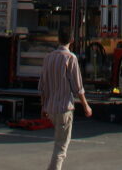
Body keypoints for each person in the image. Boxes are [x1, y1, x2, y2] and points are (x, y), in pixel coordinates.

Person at [38, 26, 92, 170]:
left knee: (58, 144)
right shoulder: (70, 58)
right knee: (61, 148)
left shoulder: (48, 58)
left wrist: (43, 106)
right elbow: (78, 87)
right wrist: (86, 105)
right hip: (64, 108)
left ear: (58, 39)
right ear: (72, 40)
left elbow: (42, 86)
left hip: (51, 108)